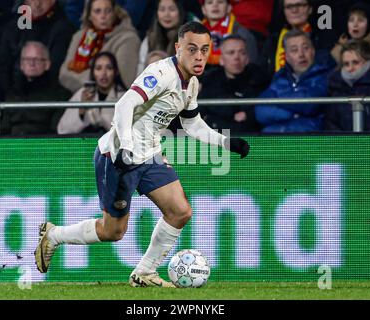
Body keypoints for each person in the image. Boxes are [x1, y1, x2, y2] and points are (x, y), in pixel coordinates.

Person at [34, 21, 250, 287]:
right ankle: (54, 235)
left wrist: (225, 142)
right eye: (192, 49)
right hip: (117, 157)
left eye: (205, 50)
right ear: (178, 47)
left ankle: (145, 272)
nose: (199, 56)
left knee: (180, 211)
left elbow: (191, 123)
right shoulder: (161, 73)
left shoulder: (190, 83)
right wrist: (125, 145)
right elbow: (125, 103)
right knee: (113, 231)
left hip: (150, 154)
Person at [255, 29, 334, 132]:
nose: (301, 54)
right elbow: (261, 111)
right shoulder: (280, 77)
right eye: (294, 50)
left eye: (305, 48)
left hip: (310, 141)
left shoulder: (325, 75)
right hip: (276, 141)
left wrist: (278, 100)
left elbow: (309, 105)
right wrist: (293, 114)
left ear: (313, 51)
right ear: (286, 57)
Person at [59, 0, 141, 93]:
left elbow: (123, 80)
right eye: (97, 11)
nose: (103, 16)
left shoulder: (128, 38)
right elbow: (64, 75)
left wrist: (80, 77)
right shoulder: (79, 36)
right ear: (89, 15)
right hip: (79, 97)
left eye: (108, 11)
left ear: (115, 13)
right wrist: (99, 80)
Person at [0, 0, 76, 92]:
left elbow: (55, 70)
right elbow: (1, 64)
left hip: (48, 94)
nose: (37, 4)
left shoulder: (63, 28)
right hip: (12, 94)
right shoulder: (15, 25)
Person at [199, 35, 269, 132]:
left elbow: (264, 109)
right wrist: (232, 114)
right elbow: (202, 111)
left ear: (247, 58)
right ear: (221, 60)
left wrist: (248, 115)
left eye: (242, 53)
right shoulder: (210, 80)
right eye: (231, 53)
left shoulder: (260, 79)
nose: (236, 57)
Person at [1, 41, 71, 135]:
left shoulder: (61, 95)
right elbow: (4, 129)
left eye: (37, 59)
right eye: (27, 59)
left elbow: (57, 132)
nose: (31, 63)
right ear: (21, 65)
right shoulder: (12, 94)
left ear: (47, 64)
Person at [258, 0, 332, 79]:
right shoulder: (273, 41)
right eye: (289, 7)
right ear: (284, 11)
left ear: (310, 9)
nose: (294, 10)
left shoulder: (322, 38)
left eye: (299, 5)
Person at [57, 51, 127, 134]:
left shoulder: (125, 97)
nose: (104, 73)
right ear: (93, 73)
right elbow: (62, 130)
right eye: (98, 68)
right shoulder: (83, 93)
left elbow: (126, 132)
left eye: (109, 68)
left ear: (116, 72)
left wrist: (99, 119)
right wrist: (82, 109)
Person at [200, 0, 258, 68]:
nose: (215, 5)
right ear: (203, 9)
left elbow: (251, 66)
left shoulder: (242, 34)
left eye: (220, 2)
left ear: (229, 8)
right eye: (210, 2)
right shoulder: (193, 33)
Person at [136, 0, 185, 76]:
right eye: (162, 9)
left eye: (172, 9)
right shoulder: (150, 38)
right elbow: (140, 71)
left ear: (180, 12)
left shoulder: (189, 37)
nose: (167, 14)